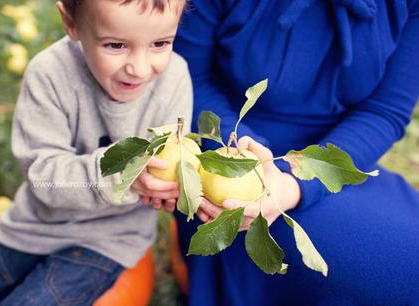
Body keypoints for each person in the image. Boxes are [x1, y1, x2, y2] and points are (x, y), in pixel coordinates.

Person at [173, 0, 419, 305]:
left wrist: (295, 183)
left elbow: (384, 111)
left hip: (335, 164)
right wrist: (246, 159)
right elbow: (189, 77)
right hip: (234, 160)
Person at [0, 0, 190, 304]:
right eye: (116, 45)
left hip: (109, 240)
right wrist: (120, 176)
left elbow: (172, 164)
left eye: (160, 43)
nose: (140, 68)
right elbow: (43, 176)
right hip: (32, 226)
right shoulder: (49, 75)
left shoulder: (174, 80)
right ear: (71, 23)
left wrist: (169, 190)